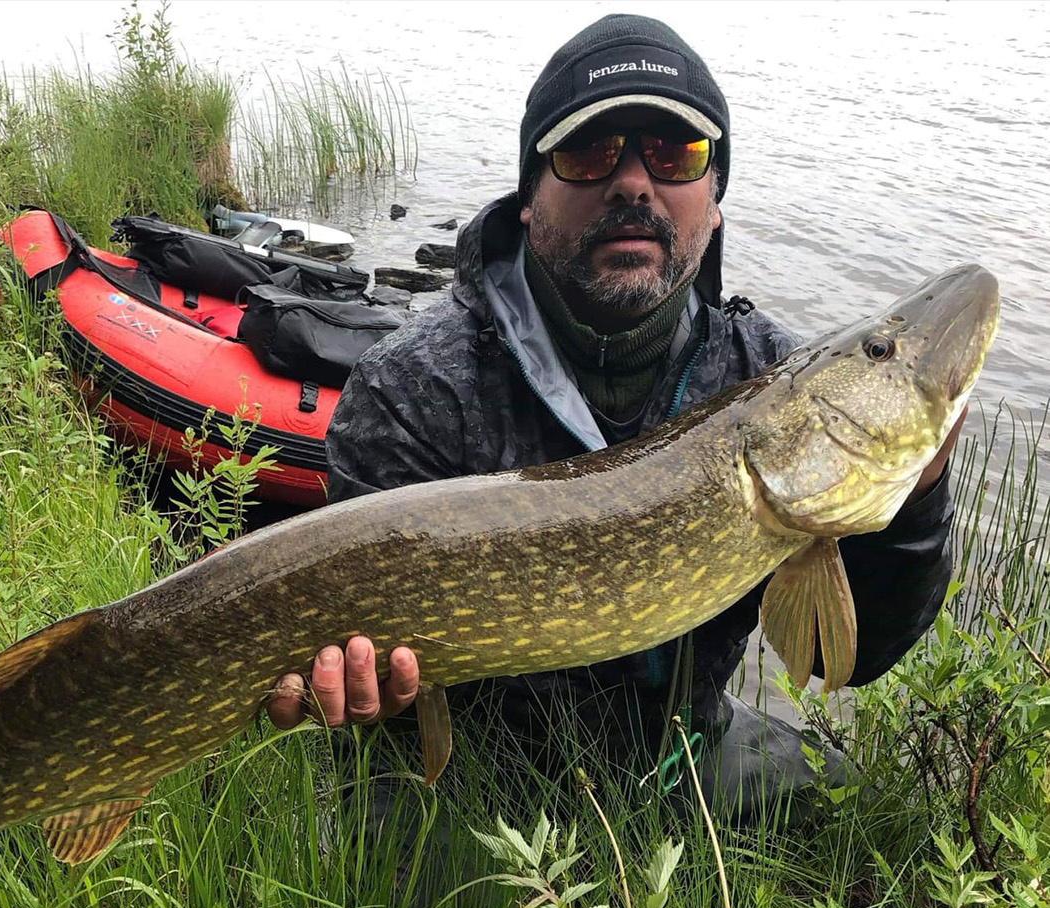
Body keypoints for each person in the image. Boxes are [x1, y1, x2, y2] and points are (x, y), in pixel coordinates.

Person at [264, 14, 961, 820]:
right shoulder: (412, 386)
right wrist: (360, 691)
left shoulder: (764, 371)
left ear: (715, 200)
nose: (633, 183)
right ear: (530, 197)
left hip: (683, 749)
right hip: (477, 778)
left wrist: (918, 493)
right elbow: (358, 665)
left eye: (675, 153)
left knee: (855, 810)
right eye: (590, 151)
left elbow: (855, 655)